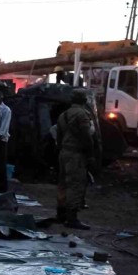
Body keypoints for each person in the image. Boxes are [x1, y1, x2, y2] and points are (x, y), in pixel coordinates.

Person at [55, 89, 95, 230]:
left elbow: (58, 136)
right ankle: (71, 218)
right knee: (75, 185)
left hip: (64, 153)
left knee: (62, 184)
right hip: (76, 155)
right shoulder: (82, 114)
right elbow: (86, 136)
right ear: (84, 101)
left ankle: (61, 214)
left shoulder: (63, 115)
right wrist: (91, 154)